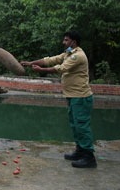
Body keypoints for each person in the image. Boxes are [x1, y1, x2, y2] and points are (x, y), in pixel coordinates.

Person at [20, 31, 97, 168]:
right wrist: (31, 62)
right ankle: (80, 151)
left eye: (66, 40)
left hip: (81, 97)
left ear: (74, 42)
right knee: (75, 125)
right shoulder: (68, 53)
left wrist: (41, 70)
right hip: (72, 96)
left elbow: (61, 68)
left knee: (82, 126)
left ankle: (89, 157)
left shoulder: (78, 56)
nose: (63, 42)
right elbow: (51, 59)